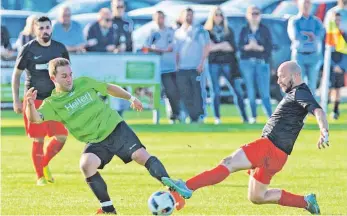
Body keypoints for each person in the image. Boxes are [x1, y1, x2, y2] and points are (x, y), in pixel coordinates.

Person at [24, 57, 191, 214]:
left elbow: (109, 88)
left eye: (70, 74)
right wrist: (29, 105)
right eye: (64, 76)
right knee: (86, 164)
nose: (69, 79)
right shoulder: (53, 103)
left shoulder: (84, 83)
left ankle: (172, 185)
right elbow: (36, 118)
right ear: (53, 78)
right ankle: (108, 209)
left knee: (140, 156)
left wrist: (131, 97)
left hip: (115, 128)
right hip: (96, 141)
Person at [162, 61, 329, 215]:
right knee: (257, 196)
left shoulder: (300, 92)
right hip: (278, 156)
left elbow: (318, 110)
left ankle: (187, 187)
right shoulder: (298, 92)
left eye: (282, 76)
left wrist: (324, 130)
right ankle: (305, 202)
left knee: (228, 163)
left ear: (296, 75)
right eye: (278, 76)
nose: (279, 81)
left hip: (268, 147)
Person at [11, 16, 70, 186]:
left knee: (62, 136)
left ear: (52, 28)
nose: (45, 31)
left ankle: (43, 164)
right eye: (41, 28)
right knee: (38, 139)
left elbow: (67, 74)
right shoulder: (28, 49)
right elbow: (16, 75)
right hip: (35, 102)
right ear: (35, 30)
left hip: (55, 101)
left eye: (47, 27)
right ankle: (40, 177)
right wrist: (16, 100)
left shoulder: (60, 48)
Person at [204, 6, 248, 124]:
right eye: (216, 14)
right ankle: (217, 117)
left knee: (236, 90)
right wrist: (222, 45)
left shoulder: (228, 30)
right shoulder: (207, 31)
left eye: (221, 14)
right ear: (212, 16)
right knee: (216, 92)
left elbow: (232, 47)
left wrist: (216, 46)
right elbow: (208, 48)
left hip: (228, 64)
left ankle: (245, 117)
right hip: (213, 64)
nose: (219, 17)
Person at [174, 8, 210, 123]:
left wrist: (201, 63)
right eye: (186, 15)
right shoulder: (178, 32)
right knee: (185, 93)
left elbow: (206, 47)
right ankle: (190, 115)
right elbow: (177, 51)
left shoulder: (200, 30)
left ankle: (199, 115)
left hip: (196, 67)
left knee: (197, 92)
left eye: (190, 15)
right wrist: (177, 65)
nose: (188, 17)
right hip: (182, 67)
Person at [144, 11, 180, 123]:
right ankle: (156, 118)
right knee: (154, 94)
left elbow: (170, 48)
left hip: (168, 67)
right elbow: (146, 48)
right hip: (156, 69)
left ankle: (174, 115)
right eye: (157, 18)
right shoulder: (152, 33)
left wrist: (156, 50)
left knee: (171, 92)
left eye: (161, 17)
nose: (160, 20)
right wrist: (154, 50)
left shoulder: (170, 31)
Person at [239, 5, 273, 124]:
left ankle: (271, 118)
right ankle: (253, 117)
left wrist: (258, 48)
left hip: (261, 63)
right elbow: (239, 47)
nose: (254, 16)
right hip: (247, 64)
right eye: (252, 13)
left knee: (264, 93)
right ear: (247, 16)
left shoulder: (265, 30)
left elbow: (269, 48)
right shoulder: (244, 29)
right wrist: (248, 47)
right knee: (251, 92)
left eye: (257, 13)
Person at [287, 0, 325, 95]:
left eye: (308, 3)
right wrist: (310, 35)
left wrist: (308, 35)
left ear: (311, 5)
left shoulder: (316, 21)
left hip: (313, 56)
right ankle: (300, 109)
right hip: (299, 56)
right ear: (299, 5)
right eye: (304, 3)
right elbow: (295, 36)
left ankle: (311, 109)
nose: (306, 6)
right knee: (298, 85)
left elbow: (321, 34)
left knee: (312, 86)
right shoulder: (294, 20)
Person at [329, 12, 347, 120]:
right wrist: (332, 65)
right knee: (329, 88)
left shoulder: (343, 35)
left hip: (340, 67)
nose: (337, 22)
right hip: (330, 67)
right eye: (335, 19)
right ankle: (323, 109)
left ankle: (335, 110)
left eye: (339, 20)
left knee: (337, 89)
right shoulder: (328, 35)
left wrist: (341, 66)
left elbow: (345, 53)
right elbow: (324, 52)